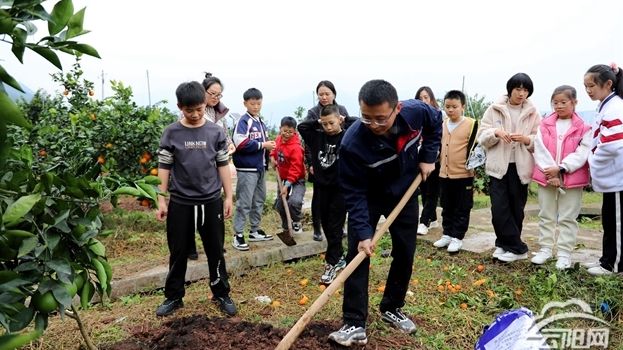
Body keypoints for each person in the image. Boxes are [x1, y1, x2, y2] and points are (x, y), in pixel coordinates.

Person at [328, 80, 442, 346]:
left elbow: (436, 121)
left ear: (397, 109)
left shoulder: (417, 112)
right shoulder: (352, 143)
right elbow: (352, 192)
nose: (374, 125)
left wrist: (428, 155)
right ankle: (355, 322)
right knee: (358, 251)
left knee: (405, 250)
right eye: (366, 118)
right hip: (368, 196)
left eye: (381, 119)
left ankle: (392, 306)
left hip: (405, 191)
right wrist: (364, 234)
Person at [154, 81, 236, 317]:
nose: (195, 114)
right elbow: (164, 167)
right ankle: (174, 296)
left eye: (199, 109)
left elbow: (223, 164)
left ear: (205, 104)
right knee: (178, 250)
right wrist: (161, 199)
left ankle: (221, 292)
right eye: (189, 110)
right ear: (180, 107)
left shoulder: (215, 132)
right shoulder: (171, 132)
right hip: (181, 201)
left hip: (211, 201)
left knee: (215, 250)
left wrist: (228, 196)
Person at [477, 73, 541, 263]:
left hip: (520, 166)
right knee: (499, 207)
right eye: (518, 89)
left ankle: (508, 245)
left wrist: (527, 139)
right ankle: (513, 246)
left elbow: (540, 140)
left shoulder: (533, 112)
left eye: (526, 90)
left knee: (516, 207)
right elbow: (482, 136)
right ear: (510, 89)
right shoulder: (494, 109)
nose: (522, 94)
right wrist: (495, 132)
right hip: (498, 166)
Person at [531, 85, 591, 270]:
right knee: (546, 214)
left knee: (567, 217)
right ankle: (546, 248)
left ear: (574, 102)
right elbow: (539, 149)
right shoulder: (545, 124)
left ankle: (564, 253)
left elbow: (582, 153)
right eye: (555, 103)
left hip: (571, 178)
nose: (559, 106)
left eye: (563, 102)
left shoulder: (584, 128)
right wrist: (551, 172)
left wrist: (562, 168)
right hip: (547, 176)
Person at [298, 105, 357, 284]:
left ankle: (330, 263)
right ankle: (339, 257)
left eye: (331, 123)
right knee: (325, 224)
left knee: (335, 226)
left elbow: (360, 123)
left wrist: (344, 119)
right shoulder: (317, 136)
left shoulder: (347, 135)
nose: (328, 127)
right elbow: (302, 127)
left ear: (339, 120)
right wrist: (319, 121)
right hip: (322, 187)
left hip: (341, 189)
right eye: (324, 124)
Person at [187, 72, 235, 260]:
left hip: (216, 166)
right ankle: (190, 247)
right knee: (192, 207)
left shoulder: (219, 114)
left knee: (214, 206)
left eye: (219, 95)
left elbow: (225, 135)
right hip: (196, 167)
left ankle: (216, 245)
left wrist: (230, 144)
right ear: (203, 92)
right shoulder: (195, 111)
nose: (215, 98)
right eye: (212, 94)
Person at [583, 62, 623, 276]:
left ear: (608, 84)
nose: (588, 91)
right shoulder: (605, 104)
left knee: (615, 222)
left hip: (616, 176)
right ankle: (607, 258)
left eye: (592, 86)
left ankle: (613, 265)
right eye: (586, 86)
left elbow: (613, 144)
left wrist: (594, 161)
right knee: (610, 219)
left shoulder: (615, 107)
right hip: (612, 175)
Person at [304, 81, 351, 242]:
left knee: (339, 200)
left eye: (327, 94)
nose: (324, 97)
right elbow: (308, 139)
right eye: (321, 94)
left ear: (334, 94)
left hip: (338, 162)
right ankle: (318, 227)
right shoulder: (313, 112)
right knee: (319, 197)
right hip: (321, 161)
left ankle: (339, 227)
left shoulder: (342, 110)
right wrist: (311, 162)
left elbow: (352, 130)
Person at [433, 90, 478, 253]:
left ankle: (457, 237)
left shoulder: (471, 124)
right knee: (446, 205)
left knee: (462, 207)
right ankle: (447, 234)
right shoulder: (443, 124)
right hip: (444, 174)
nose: (450, 110)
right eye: (447, 107)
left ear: (463, 107)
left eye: (454, 107)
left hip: (463, 175)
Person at [231, 88, 275, 251]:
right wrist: (263, 145)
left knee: (259, 199)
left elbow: (266, 143)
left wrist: (270, 152)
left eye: (258, 103)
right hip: (247, 168)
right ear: (245, 104)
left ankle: (254, 230)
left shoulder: (260, 122)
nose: (256, 106)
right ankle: (238, 234)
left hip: (260, 168)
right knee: (245, 202)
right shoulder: (244, 121)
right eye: (252, 103)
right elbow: (240, 143)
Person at [270, 117, 306, 236]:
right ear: (280, 129)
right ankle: (286, 227)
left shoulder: (296, 148)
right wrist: (272, 159)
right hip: (283, 177)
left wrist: (287, 185)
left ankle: (296, 221)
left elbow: (295, 169)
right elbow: (273, 151)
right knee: (280, 204)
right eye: (285, 131)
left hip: (297, 179)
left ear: (294, 131)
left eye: (290, 132)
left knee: (294, 202)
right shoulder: (278, 139)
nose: (287, 134)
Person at [414, 86, 442, 235]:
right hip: (421, 158)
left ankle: (424, 222)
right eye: (420, 98)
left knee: (432, 192)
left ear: (432, 99)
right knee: (424, 191)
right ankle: (433, 219)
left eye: (426, 97)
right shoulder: (416, 118)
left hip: (436, 160)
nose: (423, 101)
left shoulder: (438, 116)